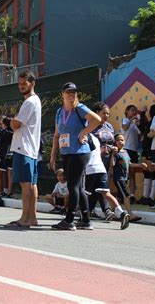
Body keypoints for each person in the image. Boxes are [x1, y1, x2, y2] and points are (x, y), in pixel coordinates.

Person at [50, 82, 101, 231]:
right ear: (62, 94)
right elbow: (57, 135)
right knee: (78, 187)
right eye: (68, 92)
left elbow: (96, 120)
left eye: (73, 92)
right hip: (66, 152)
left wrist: (83, 133)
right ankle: (86, 220)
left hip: (80, 151)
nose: (71, 95)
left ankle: (69, 220)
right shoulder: (60, 112)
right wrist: (53, 154)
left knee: (72, 186)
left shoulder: (80, 108)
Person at [4, 71, 42, 228]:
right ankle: (31, 218)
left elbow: (16, 125)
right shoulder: (35, 101)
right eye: (19, 83)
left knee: (26, 185)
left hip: (23, 147)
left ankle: (25, 219)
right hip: (31, 149)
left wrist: (8, 121)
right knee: (31, 184)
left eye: (24, 83)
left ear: (32, 83)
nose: (21, 85)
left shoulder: (29, 102)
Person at [85, 135, 130, 229]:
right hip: (100, 169)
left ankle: (83, 219)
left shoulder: (83, 137)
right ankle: (122, 214)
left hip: (90, 169)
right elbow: (102, 150)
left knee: (84, 193)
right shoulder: (95, 139)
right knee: (106, 193)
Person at [111, 134, 147, 221]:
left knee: (119, 197)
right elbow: (112, 164)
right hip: (119, 178)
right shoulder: (115, 152)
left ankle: (114, 214)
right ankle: (130, 215)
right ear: (115, 142)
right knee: (126, 195)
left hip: (125, 177)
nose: (120, 142)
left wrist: (140, 165)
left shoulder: (125, 152)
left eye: (122, 140)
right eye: (118, 140)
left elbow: (129, 164)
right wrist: (112, 154)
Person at [89, 102, 115, 218]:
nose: (106, 116)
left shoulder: (109, 126)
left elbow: (113, 141)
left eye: (108, 114)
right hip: (94, 160)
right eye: (104, 113)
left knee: (98, 186)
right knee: (100, 186)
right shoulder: (90, 125)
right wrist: (99, 150)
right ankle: (107, 210)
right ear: (96, 113)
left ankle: (89, 210)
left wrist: (114, 148)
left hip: (108, 160)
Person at [121, 105, 142, 201]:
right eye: (132, 110)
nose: (134, 112)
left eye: (135, 111)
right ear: (127, 111)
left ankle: (132, 195)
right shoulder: (125, 120)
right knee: (124, 173)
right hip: (126, 149)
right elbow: (124, 128)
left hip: (134, 150)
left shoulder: (134, 124)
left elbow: (139, 135)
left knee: (132, 173)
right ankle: (123, 194)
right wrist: (132, 119)